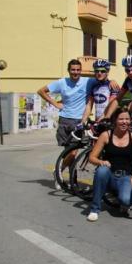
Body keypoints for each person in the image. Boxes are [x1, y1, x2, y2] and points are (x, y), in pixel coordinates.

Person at [38, 59, 96, 189]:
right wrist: (55, 103)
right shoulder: (61, 83)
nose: (75, 72)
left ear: (81, 70)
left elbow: (103, 79)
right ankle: (70, 179)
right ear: (69, 70)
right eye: (73, 70)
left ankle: (58, 172)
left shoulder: (88, 81)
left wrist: (113, 81)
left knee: (73, 153)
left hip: (79, 122)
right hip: (65, 120)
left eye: (78, 70)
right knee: (68, 153)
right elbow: (41, 91)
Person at [86, 107, 132, 222]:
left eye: (127, 119)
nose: (124, 122)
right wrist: (101, 162)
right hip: (109, 175)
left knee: (126, 200)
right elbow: (91, 157)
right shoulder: (106, 135)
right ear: (115, 121)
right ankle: (94, 209)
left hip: (125, 177)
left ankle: (121, 197)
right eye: (121, 119)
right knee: (101, 171)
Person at [81, 59, 118, 123]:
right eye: (97, 71)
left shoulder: (112, 85)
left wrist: (100, 121)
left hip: (109, 121)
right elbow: (89, 105)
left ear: (107, 72)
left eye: (102, 71)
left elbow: (110, 105)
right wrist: (82, 122)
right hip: (97, 121)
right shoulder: (94, 86)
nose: (99, 73)